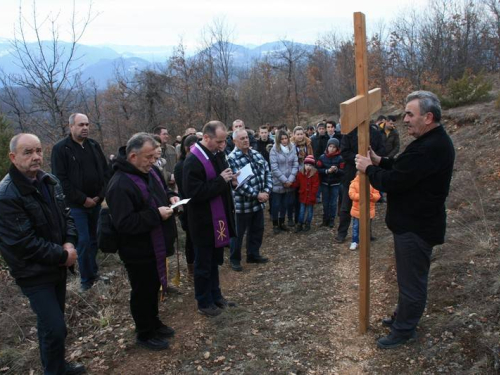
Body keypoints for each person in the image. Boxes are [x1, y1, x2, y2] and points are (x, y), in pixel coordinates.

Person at [355, 90, 455, 349]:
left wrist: (369, 169)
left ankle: (404, 331)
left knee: (412, 283)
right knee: (407, 278)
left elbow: (396, 181)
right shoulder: (428, 142)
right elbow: (403, 168)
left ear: (428, 117)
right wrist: (380, 160)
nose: (405, 119)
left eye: (410, 114)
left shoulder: (430, 147)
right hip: (413, 224)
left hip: (417, 227)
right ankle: (403, 317)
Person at [0, 134, 85, 375]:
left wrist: (69, 243)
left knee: (51, 325)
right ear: (13, 157)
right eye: (28, 152)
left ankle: (57, 367)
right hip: (33, 273)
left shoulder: (50, 181)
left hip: (56, 265)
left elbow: (66, 216)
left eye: (38, 150)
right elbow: (22, 243)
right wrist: (62, 255)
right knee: (55, 327)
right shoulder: (7, 195)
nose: (36, 156)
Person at [106, 133, 179, 351]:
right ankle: (144, 333)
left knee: (152, 287)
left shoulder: (151, 171)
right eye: (148, 157)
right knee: (142, 291)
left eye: (154, 157)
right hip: (137, 250)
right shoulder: (119, 184)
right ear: (133, 156)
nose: (153, 162)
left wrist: (171, 196)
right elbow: (124, 223)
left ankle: (154, 322)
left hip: (155, 245)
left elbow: (161, 191)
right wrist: (156, 215)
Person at [183, 121, 237, 317]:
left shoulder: (216, 154)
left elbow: (221, 181)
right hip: (203, 222)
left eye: (224, 141)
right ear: (206, 138)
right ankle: (204, 301)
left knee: (214, 262)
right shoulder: (193, 161)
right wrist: (221, 180)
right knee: (203, 264)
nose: (223, 145)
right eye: (219, 141)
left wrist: (231, 179)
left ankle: (216, 295)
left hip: (218, 219)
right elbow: (194, 194)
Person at [51, 113, 110, 292]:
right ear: (71, 127)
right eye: (80, 125)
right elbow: (60, 180)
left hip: (96, 202)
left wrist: (100, 196)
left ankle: (93, 272)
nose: (85, 128)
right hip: (76, 206)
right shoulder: (61, 149)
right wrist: (83, 200)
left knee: (94, 240)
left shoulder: (93, 145)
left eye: (87, 124)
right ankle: (86, 280)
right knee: (83, 241)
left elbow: (105, 172)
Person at [227, 129, 272, 272]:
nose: (246, 140)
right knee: (238, 234)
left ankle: (253, 254)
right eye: (242, 138)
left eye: (246, 137)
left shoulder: (256, 154)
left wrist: (266, 190)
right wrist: (256, 194)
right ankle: (235, 259)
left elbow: (267, 172)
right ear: (235, 141)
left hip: (258, 203)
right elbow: (238, 184)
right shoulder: (231, 158)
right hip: (242, 205)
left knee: (257, 229)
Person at [334, 123, 385, 243]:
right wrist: (358, 158)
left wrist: (370, 158)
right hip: (351, 173)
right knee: (346, 206)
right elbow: (345, 151)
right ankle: (342, 233)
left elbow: (382, 149)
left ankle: (367, 233)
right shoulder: (349, 133)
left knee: (368, 205)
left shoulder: (375, 133)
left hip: (370, 172)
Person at [174, 134, 199, 277]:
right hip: (188, 207)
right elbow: (184, 189)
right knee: (190, 237)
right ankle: (191, 267)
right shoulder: (180, 165)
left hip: (196, 206)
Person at [269, 130, 299, 234]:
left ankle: (282, 222)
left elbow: (295, 164)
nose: (284, 141)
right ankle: (275, 224)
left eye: (286, 138)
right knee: (276, 204)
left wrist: (290, 179)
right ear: (278, 140)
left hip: (290, 181)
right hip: (278, 182)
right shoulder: (274, 150)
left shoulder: (292, 148)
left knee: (285, 204)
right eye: (282, 139)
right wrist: (284, 180)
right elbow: (274, 168)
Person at [317, 138, 345, 228]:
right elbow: (318, 169)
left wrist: (336, 170)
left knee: (333, 202)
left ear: (337, 148)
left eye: (334, 147)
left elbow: (343, 171)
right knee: (325, 202)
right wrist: (326, 171)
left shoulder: (340, 158)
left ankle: (332, 220)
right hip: (325, 183)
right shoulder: (322, 157)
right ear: (327, 147)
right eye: (330, 146)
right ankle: (325, 219)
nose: (331, 149)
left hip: (335, 184)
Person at [348, 172, 380, 250]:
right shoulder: (354, 183)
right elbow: (351, 195)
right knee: (356, 227)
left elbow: (378, 196)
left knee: (367, 226)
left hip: (369, 210)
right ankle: (354, 241)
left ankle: (365, 241)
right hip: (357, 211)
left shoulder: (373, 184)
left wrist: (371, 196)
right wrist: (362, 195)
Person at [291, 155, 320, 232]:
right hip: (303, 195)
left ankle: (308, 223)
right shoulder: (301, 173)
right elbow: (297, 183)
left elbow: (315, 185)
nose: (308, 167)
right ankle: (300, 224)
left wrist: (313, 194)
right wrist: (291, 184)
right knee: (302, 210)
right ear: (304, 164)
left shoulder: (315, 174)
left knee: (310, 211)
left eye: (310, 165)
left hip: (311, 196)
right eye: (307, 165)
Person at [153, 126, 177, 190]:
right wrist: (169, 176)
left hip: (173, 186)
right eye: (164, 134)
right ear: (157, 135)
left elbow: (176, 164)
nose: (167, 136)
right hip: (160, 185)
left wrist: (175, 176)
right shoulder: (152, 151)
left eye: (167, 134)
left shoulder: (172, 149)